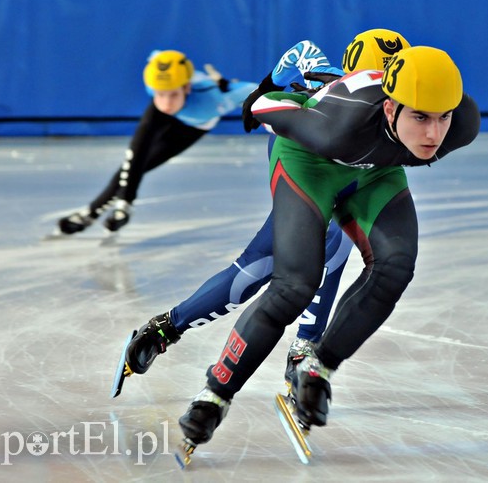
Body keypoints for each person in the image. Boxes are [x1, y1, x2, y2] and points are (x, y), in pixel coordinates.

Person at [177, 45, 481, 451]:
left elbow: (426, 125)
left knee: (395, 267)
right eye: (420, 117)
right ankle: (214, 394)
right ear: (390, 110)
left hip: (375, 169)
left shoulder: (463, 125)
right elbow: (270, 103)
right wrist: (258, 97)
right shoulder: (335, 122)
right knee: (294, 285)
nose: (433, 134)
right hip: (311, 160)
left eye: (443, 117)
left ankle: (318, 369)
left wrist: (431, 120)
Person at [117, 30, 412, 394]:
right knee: (311, 249)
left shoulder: (395, 106)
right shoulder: (328, 81)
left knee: (267, 264)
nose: (384, 100)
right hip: (302, 157)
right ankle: (176, 329)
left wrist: (265, 85)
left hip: (337, 164)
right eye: (374, 86)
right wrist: (264, 92)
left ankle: (171, 327)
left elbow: (302, 50)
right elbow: (304, 53)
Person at [54, 50, 257, 235]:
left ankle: (95, 211)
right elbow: (157, 56)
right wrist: (125, 201)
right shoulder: (161, 85)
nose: (167, 103)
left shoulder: (214, 100)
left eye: (173, 94)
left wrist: (228, 85)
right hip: (161, 114)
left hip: (194, 124)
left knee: (146, 162)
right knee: (135, 157)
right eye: (160, 93)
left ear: (187, 88)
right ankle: (108, 208)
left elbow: (252, 90)